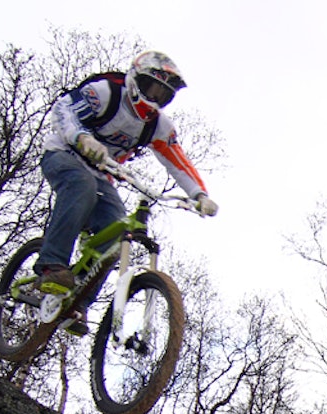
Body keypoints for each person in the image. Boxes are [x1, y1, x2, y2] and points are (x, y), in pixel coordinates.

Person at [35, 50, 218, 333]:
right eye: (152, 89)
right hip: (63, 153)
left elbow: (177, 160)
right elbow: (63, 110)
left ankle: (77, 304)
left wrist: (199, 195)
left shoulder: (157, 125)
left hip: (101, 174)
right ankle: (52, 264)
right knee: (80, 187)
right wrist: (82, 137)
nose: (155, 98)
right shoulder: (107, 92)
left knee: (118, 232)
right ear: (136, 80)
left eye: (163, 95)